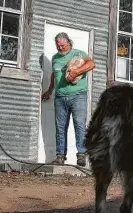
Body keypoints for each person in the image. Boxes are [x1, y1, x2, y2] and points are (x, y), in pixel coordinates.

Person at [41, 32, 96, 166]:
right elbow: (55, 75)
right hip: (60, 97)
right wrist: (49, 90)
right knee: (60, 127)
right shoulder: (55, 58)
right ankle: (60, 156)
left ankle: (81, 155)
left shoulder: (79, 54)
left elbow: (92, 64)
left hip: (78, 96)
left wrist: (77, 71)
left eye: (62, 45)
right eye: (58, 45)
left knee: (79, 124)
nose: (60, 48)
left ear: (69, 43)